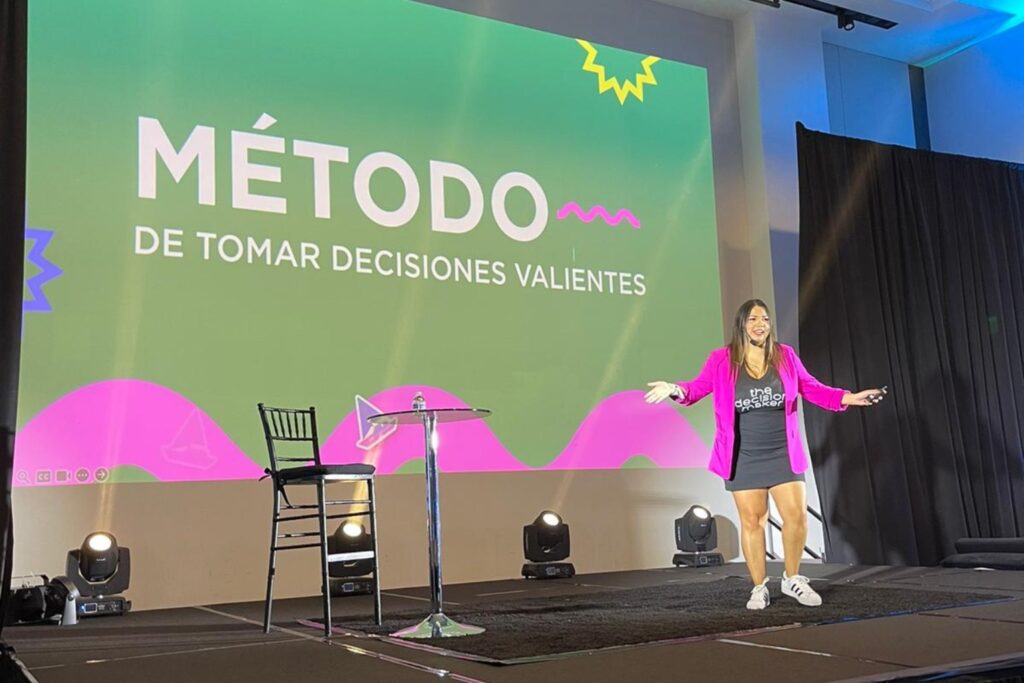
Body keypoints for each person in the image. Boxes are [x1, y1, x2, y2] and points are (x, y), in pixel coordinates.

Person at [644, 299, 885, 610]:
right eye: (753, 318)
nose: (760, 324)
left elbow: (811, 388)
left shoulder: (785, 356)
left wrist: (850, 397)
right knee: (753, 521)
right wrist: (674, 388)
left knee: (796, 517)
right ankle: (759, 587)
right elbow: (697, 388)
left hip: (782, 450)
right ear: (742, 324)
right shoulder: (722, 360)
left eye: (765, 319)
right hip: (743, 454)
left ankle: (792, 578)